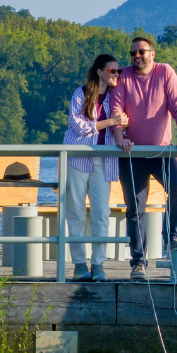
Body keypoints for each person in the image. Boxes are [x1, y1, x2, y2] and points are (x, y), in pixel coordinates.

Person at [109, 36, 177, 280]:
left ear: (152, 54)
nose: (137, 56)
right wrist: (119, 138)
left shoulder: (165, 72)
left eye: (141, 52)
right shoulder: (123, 76)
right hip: (132, 154)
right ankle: (138, 263)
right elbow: (116, 111)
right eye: (133, 53)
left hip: (161, 151)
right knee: (135, 209)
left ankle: (172, 237)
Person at [63, 54, 129, 282]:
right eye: (112, 71)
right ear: (100, 71)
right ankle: (80, 264)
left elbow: (123, 125)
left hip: (104, 160)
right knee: (76, 213)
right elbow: (78, 126)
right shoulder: (81, 94)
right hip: (77, 159)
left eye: (118, 71)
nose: (116, 75)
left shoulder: (116, 96)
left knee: (102, 213)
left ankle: (98, 264)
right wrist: (111, 122)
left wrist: (123, 127)